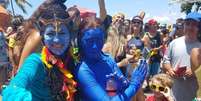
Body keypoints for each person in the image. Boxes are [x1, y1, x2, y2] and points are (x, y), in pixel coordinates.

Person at [2, 1, 78, 101]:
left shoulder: (71, 60)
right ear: (42, 37)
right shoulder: (36, 61)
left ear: (70, 35)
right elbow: (13, 89)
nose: (56, 40)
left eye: (62, 33)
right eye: (50, 34)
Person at [75, 26, 148, 101]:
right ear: (80, 42)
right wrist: (134, 84)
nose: (95, 46)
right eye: (89, 41)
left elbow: (124, 89)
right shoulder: (83, 70)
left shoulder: (108, 59)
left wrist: (124, 84)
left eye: (99, 40)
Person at [162, 12, 201, 101]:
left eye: (194, 25)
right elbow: (166, 60)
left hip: (193, 92)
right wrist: (169, 69)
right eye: (187, 24)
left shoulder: (200, 47)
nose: (190, 27)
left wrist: (195, 71)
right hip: (174, 91)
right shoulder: (174, 43)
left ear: (199, 28)